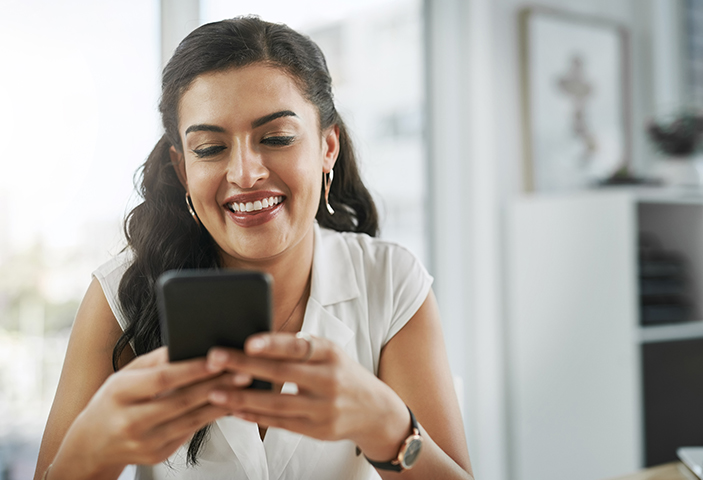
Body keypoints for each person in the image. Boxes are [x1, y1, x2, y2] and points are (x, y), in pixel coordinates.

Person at [33, 16, 473, 480]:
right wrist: (93, 445)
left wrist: (386, 425)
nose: (245, 173)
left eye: (277, 138)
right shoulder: (119, 295)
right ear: (182, 169)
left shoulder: (390, 281)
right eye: (209, 148)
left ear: (327, 147)